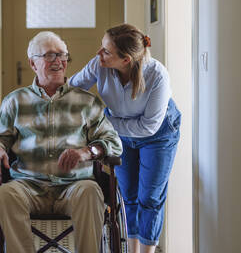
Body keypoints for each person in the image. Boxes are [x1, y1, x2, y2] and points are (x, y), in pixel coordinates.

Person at [0, 31, 123, 253]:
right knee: (6, 195)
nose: (58, 61)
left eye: (62, 55)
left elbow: (112, 141)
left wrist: (86, 152)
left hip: (74, 185)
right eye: (49, 56)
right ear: (33, 63)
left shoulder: (86, 102)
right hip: (28, 185)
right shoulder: (15, 101)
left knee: (91, 191)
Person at [69, 24, 181, 253]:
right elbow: (72, 88)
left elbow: (149, 127)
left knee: (149, 197)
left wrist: (102, 123)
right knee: (127, 194)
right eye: (102, 47)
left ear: (126, 60)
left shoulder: (157, 75)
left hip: (158, 134)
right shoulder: (98, 65)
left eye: (106, 51)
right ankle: (132, 249)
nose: (99, 54)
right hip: (120, 131)